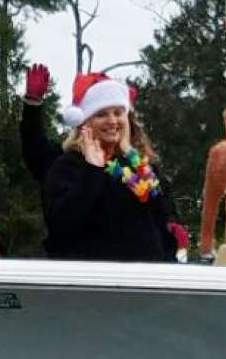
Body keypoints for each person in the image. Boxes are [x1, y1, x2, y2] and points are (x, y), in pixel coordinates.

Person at [42, 71, 181, 263]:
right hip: (94, 276)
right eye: (101, 114)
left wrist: (129, 151)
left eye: (118, 113)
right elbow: (62, 223)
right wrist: (93, 170)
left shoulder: (139, 162)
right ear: (84, 123)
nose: (113, 121)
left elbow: (159, 210)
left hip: (147, 273)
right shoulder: (67, 166)